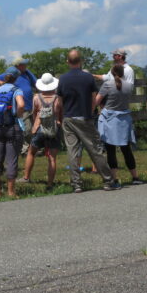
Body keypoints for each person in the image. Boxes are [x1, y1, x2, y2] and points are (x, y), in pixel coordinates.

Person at [58, 48, 119, 193]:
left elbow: (59, 102)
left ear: (68, 62)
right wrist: (91, 112)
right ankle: (107, 181)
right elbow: (94, 98)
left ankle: (76, 184)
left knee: (72, 151)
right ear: (81, 61)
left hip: (69, 118)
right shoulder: (88, 78)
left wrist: (61, 116)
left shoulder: (63, 79)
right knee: (95, 150)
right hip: (85, 117)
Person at [95, 64, 142, 186]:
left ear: (111, 72)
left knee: (110, 150)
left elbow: (97, 101)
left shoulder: (107, 85)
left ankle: (114, 178)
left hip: (110, 119)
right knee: (126, 150)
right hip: (124, 119)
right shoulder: (128, 86)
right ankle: (135, 176)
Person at [20, 73, 63, 191]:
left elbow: (34, 114)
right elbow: (61, 114)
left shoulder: (36, 97)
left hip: (39, 128)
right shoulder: (58, 98)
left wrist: (35, 126)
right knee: (52, 158)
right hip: (55, 128)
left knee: (31, 152)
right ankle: (50, 184)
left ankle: (26, 177)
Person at [0, 72, 25, 197]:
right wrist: (18, 115)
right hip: (12, 127)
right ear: (14, 80)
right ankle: (11, 192)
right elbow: (21, 104)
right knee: (11, 159)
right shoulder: (16, 90)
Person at [0, 57, 37, 156]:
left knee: (31, 128)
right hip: (21, 107)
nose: (26, 66)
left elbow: (36, 83)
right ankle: (25, 150)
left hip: (30, 105)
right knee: (26, 129)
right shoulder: (12, 74)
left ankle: (29, 148)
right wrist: (2, 83)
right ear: (18, 66)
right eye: (23, 64)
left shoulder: (27, 73)